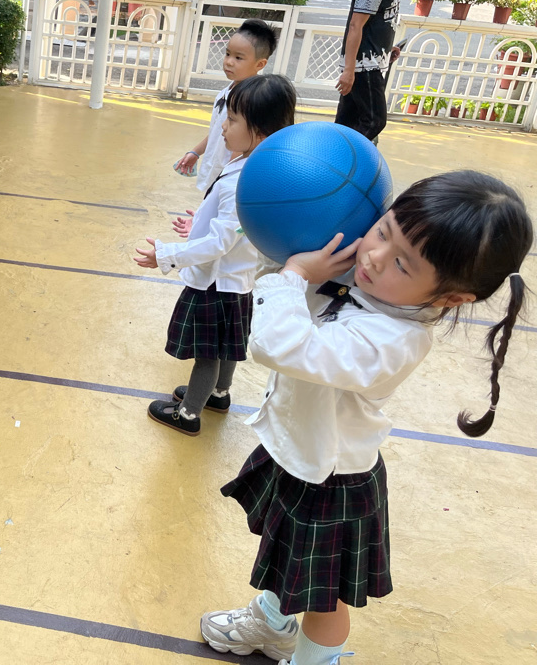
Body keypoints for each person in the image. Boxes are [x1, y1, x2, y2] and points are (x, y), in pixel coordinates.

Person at [200, 170, 531, 664]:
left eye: (401, 262)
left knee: (324, 601)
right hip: (300, 453)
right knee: (288, 564)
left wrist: (294, 276)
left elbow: (282, 344)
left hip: (332, 481)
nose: (374, 256)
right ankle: (273, 624)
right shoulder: (366, 284)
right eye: (382, 230)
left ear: (450, 297)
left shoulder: (392, 340)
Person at [134, 74, 297, 435]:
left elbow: (220, 242)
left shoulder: (243, 179)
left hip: (215, 283)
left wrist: (166, 254)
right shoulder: (254, 166)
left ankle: (188, 414)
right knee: (227, 346)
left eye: (233, 119)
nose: (223, 126)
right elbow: (235, 226)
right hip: (236, 281)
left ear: (260, 133)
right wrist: (200, 222)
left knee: (207, 354)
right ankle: (219, 394)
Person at [335, 0, 422, 142]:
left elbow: (375, 21)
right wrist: (349, 70)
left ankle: (337, 156)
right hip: (364, 65)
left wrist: (385, 49)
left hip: (370, 60)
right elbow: (356, 24)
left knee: (347, 121)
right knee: (374, 120)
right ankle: (348, 158)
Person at [175, 19, 277, 193]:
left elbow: (243, 146)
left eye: (238, 58)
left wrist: (228, 176)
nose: (229, 62)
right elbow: (218, 129)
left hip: (228, 179)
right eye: (228, 54)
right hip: (214, 173)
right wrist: (196, 152)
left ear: (260, 64)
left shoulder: (250, 101)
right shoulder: (226, 91)